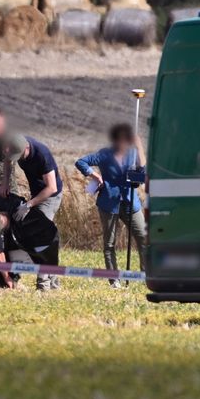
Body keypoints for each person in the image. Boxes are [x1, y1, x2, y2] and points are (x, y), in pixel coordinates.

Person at [76, 123, 148, 287]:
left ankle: (145, 275)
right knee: (109, 243)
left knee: (143, 238)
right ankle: (114, 279)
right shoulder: (104, 154)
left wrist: (140, 146)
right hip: (108, 203)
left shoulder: (133, 153)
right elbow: (81, 162)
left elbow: (142, 172)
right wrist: (94, 175)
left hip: (131, 202)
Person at [3, 133, 64, 290]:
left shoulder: (42, 154)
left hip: (50, 196)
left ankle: (43, 285)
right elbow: (8, 162)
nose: (19, 159)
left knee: (41, 238)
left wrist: (29, 205)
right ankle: (54, 282)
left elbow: (52, 187)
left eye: (20, 155)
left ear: (27, 148)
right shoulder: (16, 145)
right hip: (36, 194)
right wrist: (5, 183)